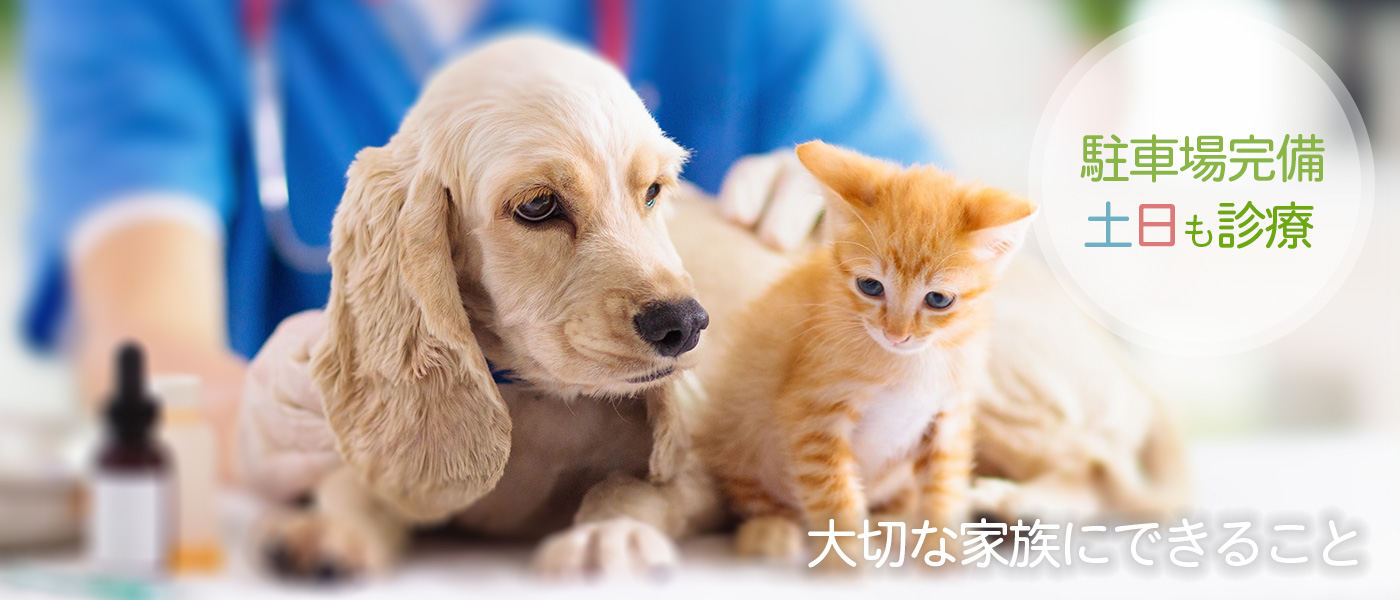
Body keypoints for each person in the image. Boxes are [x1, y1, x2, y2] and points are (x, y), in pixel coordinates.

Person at [23, 0, 938, 483]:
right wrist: (253, 424)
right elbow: (139, 340)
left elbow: (974, 267)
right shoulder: (140, 13)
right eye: (541, 206)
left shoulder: (762, 15)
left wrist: (875, 237)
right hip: (336, 524)